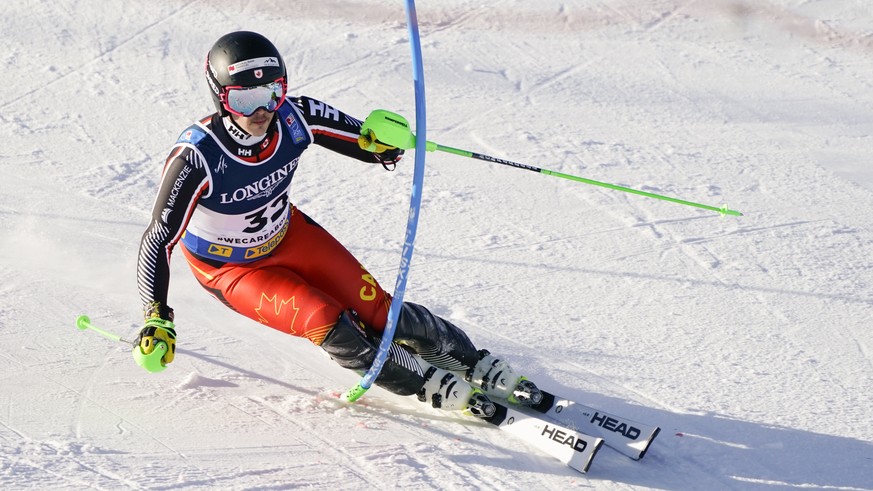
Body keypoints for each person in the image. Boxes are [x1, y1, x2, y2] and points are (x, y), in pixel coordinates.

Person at [135, 31, 542, 418]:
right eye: (245, 99)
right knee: (327, 319)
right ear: (221, 97)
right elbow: (158, 239)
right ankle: (423, 382)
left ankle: (472, 361)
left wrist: (386, 142)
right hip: (232, 271)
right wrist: (157, 316)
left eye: (272, 92)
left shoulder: (296, 116)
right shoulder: (198, 157)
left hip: (289, 236)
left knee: (379, 309)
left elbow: (367, 144)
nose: (261, 111)